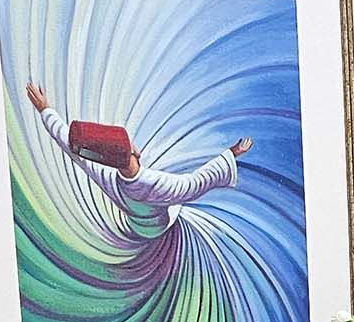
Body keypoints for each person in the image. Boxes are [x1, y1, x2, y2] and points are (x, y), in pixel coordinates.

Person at [24, 82, 252, 220]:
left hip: (136, 224)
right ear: (133, 151)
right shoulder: (156, 184)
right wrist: (231, 153)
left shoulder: (108, 176)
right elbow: (194, 184)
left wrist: (45, 110)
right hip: (158, 226)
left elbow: (68, 144)